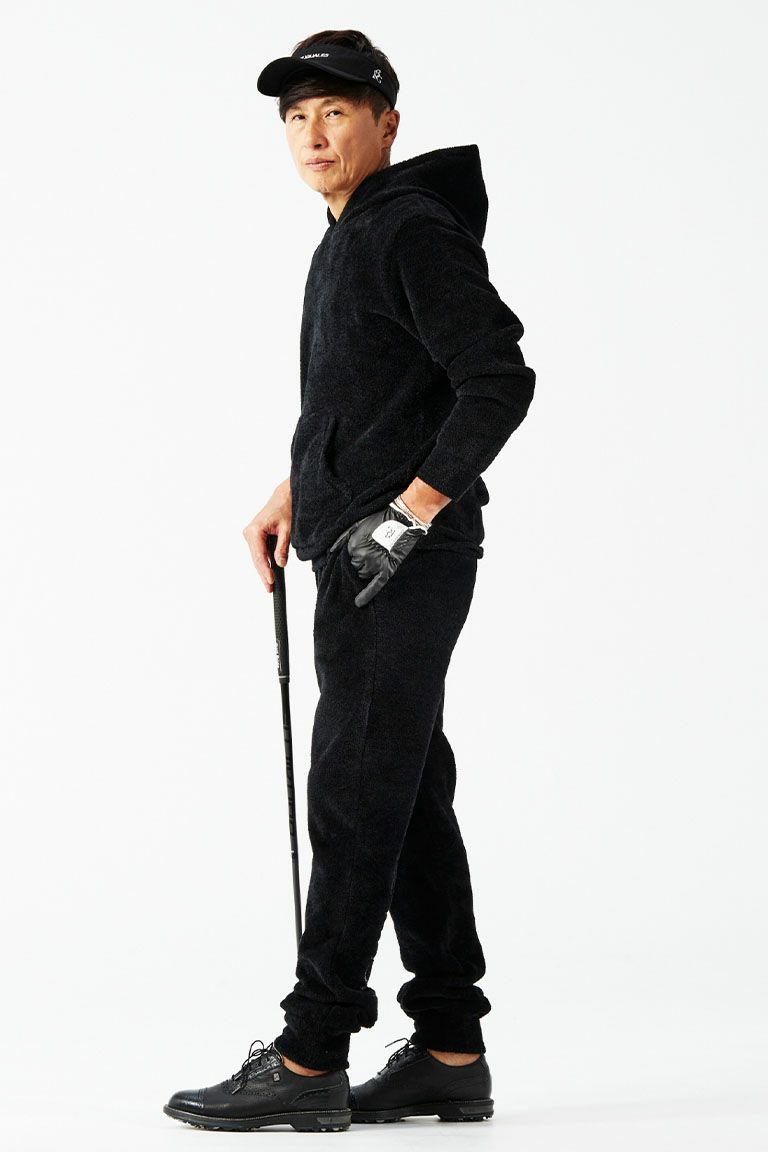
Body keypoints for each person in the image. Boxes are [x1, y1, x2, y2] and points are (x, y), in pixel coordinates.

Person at [164, 28, 536, 1133]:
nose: (313, 134)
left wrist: (409, 513)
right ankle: (449, 1049)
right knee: (405, 795)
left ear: (388, 123)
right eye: (295, 116)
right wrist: (298, 491)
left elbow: (498, 378)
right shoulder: (350, 236)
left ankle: (311, 1052)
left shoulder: (408, 228)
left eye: (335, 111)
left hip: (401, 563)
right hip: (357, 547)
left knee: (354, 794)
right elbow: (371, 395)